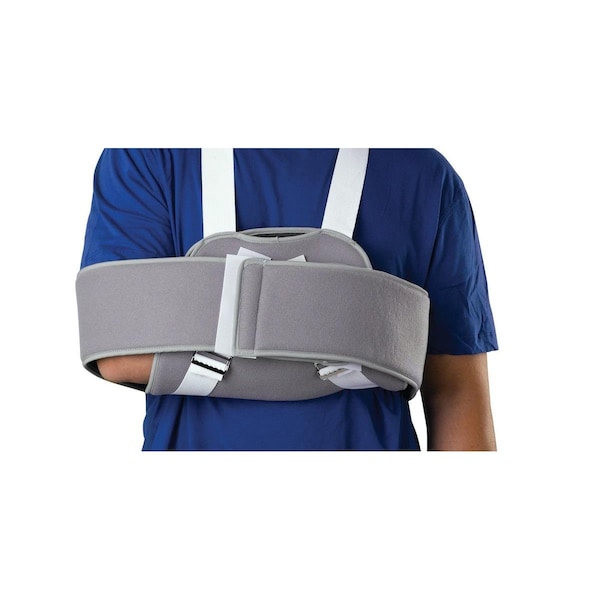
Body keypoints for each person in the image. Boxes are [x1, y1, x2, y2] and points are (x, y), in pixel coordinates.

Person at [80, 148, 498, 451]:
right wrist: (363, 346)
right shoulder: (149, 154)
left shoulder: (422, 172)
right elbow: (119, 352)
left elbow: (456, 389)